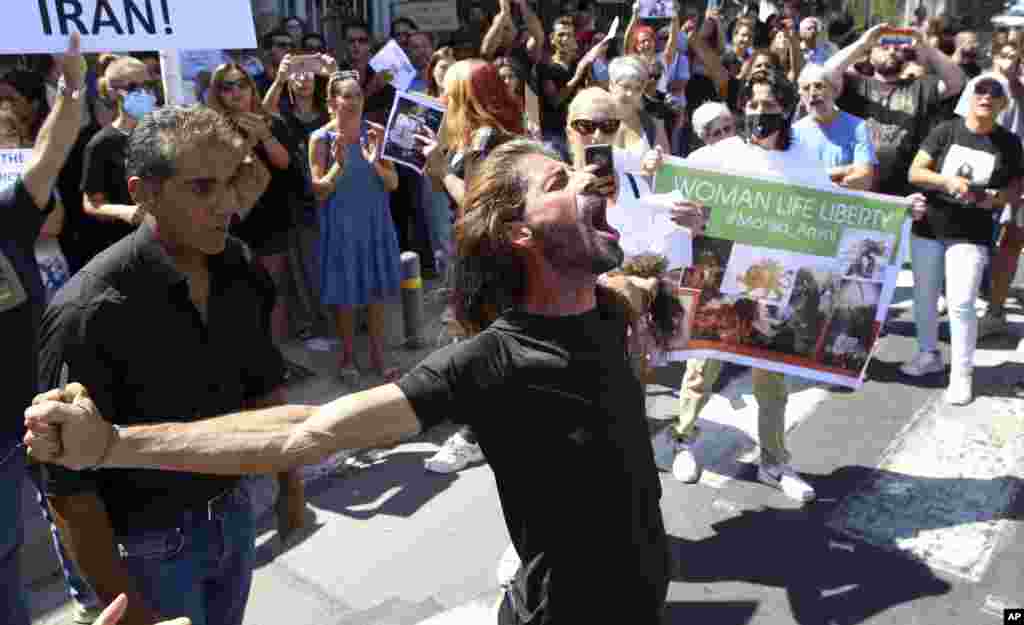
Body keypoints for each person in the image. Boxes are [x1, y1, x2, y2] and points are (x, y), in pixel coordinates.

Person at [27, 138, 674, 625]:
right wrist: (113, 444)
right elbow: (305, 430)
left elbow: (649, 287)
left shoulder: (608, 299)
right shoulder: (495, 360)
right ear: (520, 231)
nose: (594, 177)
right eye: (561, 179)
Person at [36, 104, 274, 625]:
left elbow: (261, 388)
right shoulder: (88, 311)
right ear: (144, 192)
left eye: (232, 182)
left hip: (236, 516)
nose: (227, 205)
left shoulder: (239, 268)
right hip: (147, 552)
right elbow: (68, 493)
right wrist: (130, 613)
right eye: (202, 188)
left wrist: (288, 488)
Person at [664, 70, 837, 502]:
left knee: (772, 377)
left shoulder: (804, 161)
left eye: (770, 106)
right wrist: (654, 166)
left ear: (786, 109)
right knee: (703, 367)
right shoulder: (723, 153)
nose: (761, 113)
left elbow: (835, 210)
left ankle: (774, 463)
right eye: (754, 105)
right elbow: (674, 179)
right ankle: (683, 441)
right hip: (720, 275)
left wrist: (900, 209)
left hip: (774, 281)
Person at [0, 33, 84, 625]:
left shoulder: (6, 212)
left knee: (75, 505)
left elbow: (51, 152)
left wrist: (74, 86)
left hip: (38, 402)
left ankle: (93, 596)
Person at [902, 75, 1024, 405]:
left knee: (961, 302)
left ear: (1003, 104)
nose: (986, 97)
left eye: (994, 94)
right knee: (924, 296)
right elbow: (916, 172)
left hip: (972, 233)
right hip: (929, 227)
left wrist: (998, 198)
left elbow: (1017, 188)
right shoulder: (946, 131)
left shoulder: (1010, 143)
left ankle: (962, 374)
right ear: (970, 98)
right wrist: (946, 182)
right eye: (980, 91)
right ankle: (928, 354)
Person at [309, 72, 402, 381]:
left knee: (376, 294)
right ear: (332, 101)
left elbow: (392, 184)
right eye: (346, 96)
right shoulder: (320, 139)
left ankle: (378, 355)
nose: (353, 102)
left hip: (375, 221)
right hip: (341, 225)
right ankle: (348, 357)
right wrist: (339, 164)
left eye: (358, 96)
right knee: (346, 296)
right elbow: (319, 190)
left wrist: (375, 160)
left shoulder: (375, 132)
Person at [208, 63, 304, 344]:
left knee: (274, 288)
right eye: (227, 86)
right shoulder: (211, 129)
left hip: (271, 217)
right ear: (218, 93)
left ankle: (276, 352)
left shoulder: (272, 122)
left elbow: (285, 163)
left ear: (252, 86)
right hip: (230, 221)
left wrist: (263, 134)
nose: (236, 91)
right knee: (238, 292)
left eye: (242, 83)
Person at [824, 22, 966, 197]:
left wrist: (925, 46)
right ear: (869, 54)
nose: (891, 51)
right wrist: (863, 42)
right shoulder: (856, 85)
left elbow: (957, 82)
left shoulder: (921, 87)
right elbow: (827, 74)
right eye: (884, 46)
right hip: (855, 185)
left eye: (897, 47)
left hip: (903, 193)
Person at [966, 47, 1024, 338]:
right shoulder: (987, 86)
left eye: (1014, 56)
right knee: (999, 241)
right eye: (1003, 55)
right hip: (998, 171)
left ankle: (995, 308)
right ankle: (992, 308)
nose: (1008, 62)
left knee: (1009, 243)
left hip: (1014, 173)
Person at [78, 56, 153, 265]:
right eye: (134, 86)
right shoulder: (101, 144)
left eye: (148, 85)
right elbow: (91, 203)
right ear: (114, 91)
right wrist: (125, 212)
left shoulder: (163, 132)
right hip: (126, 249)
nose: (144, 92)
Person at [793, 63, 877, 190]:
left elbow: (863, 179)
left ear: (835, 91)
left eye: (819, 86)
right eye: (806, 88)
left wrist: (818, 182)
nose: (812, 93)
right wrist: (843, 170)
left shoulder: (858, 127)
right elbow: (793, 178)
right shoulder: (794, 132)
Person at [608, 55, 672, 155]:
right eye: (626, 86)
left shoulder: (653, 125)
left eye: (637, 89)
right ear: (611, 85)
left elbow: (665, 167)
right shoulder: (593, 121)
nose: (631, 94)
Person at [340, 21, 396, 126]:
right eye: (351, 41)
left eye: (362, 41)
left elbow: (393, 108)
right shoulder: (339, 73)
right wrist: (372, 88)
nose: (356, 45)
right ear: (344, 44)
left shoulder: (381, 70)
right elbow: (347, 111)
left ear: (369, 44)